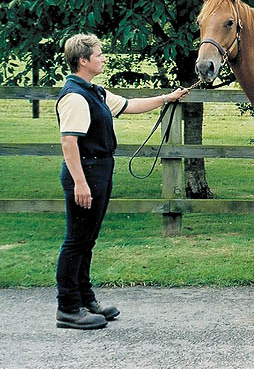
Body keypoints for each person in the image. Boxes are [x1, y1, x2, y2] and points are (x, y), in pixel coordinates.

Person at [55, 33, 189, 329]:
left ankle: (85, 299)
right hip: (86, 172)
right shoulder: (75, 96)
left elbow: (130, 105)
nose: (103, 58)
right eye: (99, 54)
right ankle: (67, 307)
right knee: (76, 241)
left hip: (99, 170)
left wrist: (167, 98)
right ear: (83, 61)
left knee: (87, 239)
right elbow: (69, 143)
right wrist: (80, 183)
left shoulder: (95, 92)